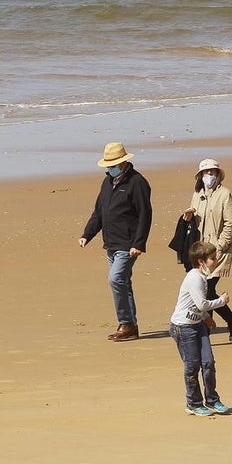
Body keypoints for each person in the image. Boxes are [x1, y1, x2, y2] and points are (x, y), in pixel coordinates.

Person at [79, 142, 152, 342]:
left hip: (128, 245)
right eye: (107, 165)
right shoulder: (106, 183)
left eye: (111, 165)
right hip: (111, 243)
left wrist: (139, 244)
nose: (108, 169)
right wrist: (87, 234)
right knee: (123, 283)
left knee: (116, 279)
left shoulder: (137, 183)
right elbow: (99, 213)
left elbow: (145, 216)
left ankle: (126, 322)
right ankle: (130, 326)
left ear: (122, 164)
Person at [180, 158, 232, 341]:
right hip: (200, 251)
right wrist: (189, 215)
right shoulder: (197, 193)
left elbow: (231, 225)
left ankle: (206, 332)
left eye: (213, 172)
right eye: (207, 172)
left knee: (207, 290)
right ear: (200, 175)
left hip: (218, 252)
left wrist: (220, 247)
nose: (210, 175)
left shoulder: (226, 195)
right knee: (206, 290)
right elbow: (194, 222)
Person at [169, 241, 231, 417]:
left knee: (208, 363)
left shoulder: (202, 277)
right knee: (192, 366)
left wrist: (207, 319)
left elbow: (197, 306)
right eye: (212, 258)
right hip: (183, 328)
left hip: (197, 325)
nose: (215, 261)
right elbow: (201, 303)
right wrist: (222, 301)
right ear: (201, 262)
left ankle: (212, 399)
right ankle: (193, 403)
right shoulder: (195, 278)